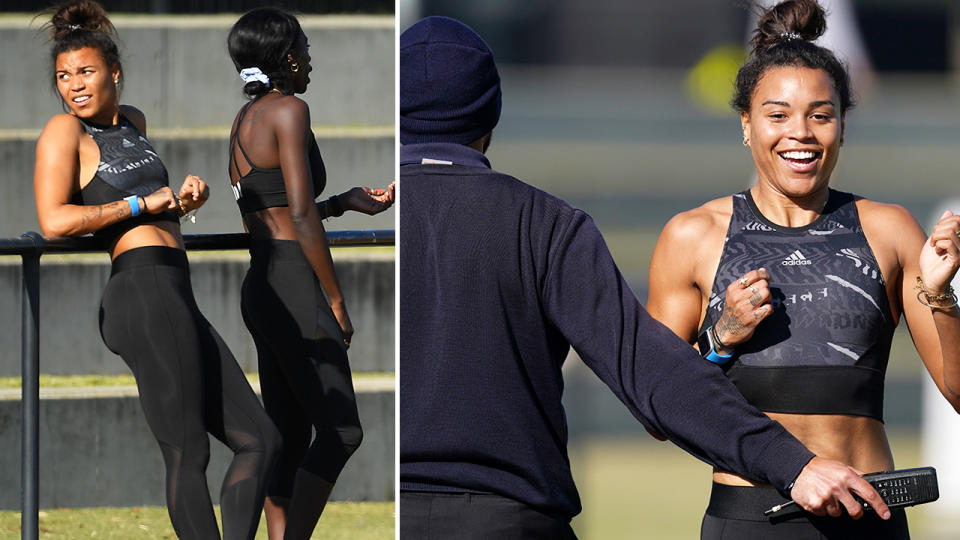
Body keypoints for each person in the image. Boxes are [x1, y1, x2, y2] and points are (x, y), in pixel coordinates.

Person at [399, 15, 891, 539]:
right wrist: (792, 464)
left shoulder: (362, 217)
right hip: (510, 518)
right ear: (490, 112)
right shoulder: (544, 224)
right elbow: (651, 371)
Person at [647, 1, 960, 538]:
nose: (801, 133)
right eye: (777, 115)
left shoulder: (888, 230)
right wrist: (721, 338)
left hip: (871, 513)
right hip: (751, 519)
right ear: (746, 124)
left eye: (821, 114)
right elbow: (654, 406)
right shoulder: (694, 235)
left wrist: (939, 295)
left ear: (842, 123)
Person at [32, 2, 281, 539]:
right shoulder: (63, 133)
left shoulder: (133, 122)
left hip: (174, 288)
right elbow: (54, 220)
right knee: (187, 452)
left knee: (261, 438)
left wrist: (183, 202)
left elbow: (147, 201)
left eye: (86, 71)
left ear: (114, 72)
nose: (73, 85)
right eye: (63, 76)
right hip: (141, 292)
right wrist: (144, 207)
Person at [225, 9, 394, 540]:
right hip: (295, 285)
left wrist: (342, 204)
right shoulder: (289, 111)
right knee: (343, 432)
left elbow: (277, 212)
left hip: (263, 285)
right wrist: (336, 300)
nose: (311, 58)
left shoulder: (247, 117)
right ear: (289, 57)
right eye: (305, 46)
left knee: (290, 433)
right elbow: (297, 216)